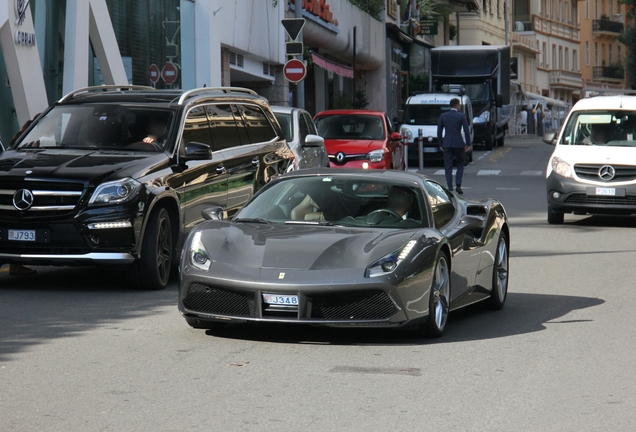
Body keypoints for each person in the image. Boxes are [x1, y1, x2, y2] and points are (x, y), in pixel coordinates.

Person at [437, 98, 470, 194]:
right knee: (460, 164)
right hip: (458, 143)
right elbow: (466, 131)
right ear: (457, 105)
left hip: (447, 143)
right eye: (459, 105)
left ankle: (450, 186)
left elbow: (439, 131)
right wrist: (467, 143)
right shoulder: (461, 116)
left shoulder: (443, 116)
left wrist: (441, 143)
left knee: (448, 165)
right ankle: (458, 185)